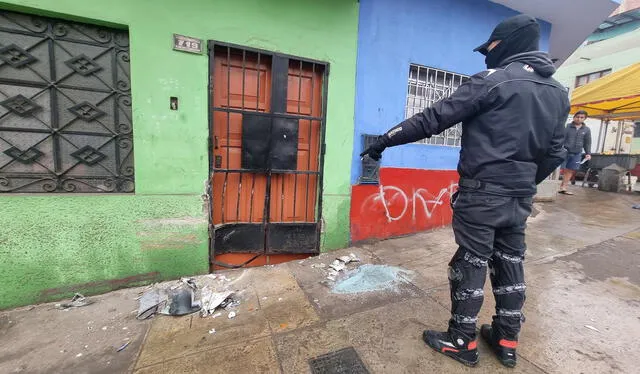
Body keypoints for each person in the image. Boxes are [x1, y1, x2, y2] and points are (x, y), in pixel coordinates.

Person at [360, 14, 569, 368]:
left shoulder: (493, 81)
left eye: (489, 48)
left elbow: (432, 119)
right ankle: (506, 339)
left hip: (482, 194)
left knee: (470, 262)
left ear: (505, 45)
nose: (486, 55)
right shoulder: (558, 92)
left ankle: (461, 340)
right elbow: (555, 153)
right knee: (510, 262)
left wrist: (382, 142)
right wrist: (523, 184)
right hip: (519, 197)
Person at [559, 110, 592, 194]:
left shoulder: (586, 130)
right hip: (565, 151)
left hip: (577, 153)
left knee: (570, 170)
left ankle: (563, 187)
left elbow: (587, 142)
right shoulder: (567, 127)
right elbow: (561, 138)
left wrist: (588, 153)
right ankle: (556, 185)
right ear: (574, 117)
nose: (579, 119)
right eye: (577, 117)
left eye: (582, 117)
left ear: (585, 119)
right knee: (561, 169)